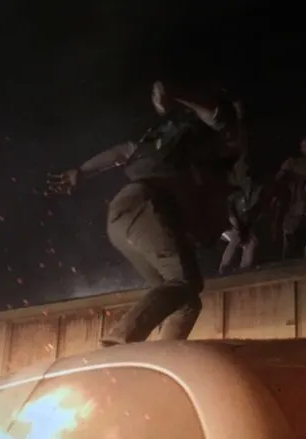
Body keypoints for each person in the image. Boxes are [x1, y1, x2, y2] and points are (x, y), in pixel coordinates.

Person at [48, 80, 245, 347]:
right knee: (185, 281)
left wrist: (82, 171)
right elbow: (216, 116)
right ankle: (119, 341)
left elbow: (122, 151)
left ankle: (158, 356)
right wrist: (176, 93)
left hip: (122, 218)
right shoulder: (204, 138)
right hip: (147, 208)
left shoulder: (160, 143)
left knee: (185, 302)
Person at [273, 136, 306, 260]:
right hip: (294, 207)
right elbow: (278, 180)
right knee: (290, 243)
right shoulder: (293, 163)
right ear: (301, 148)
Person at [218, 176, 263, 273]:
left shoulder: (254, 201)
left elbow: (250, 220)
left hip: (241, 228)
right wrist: (239, 228)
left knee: (251, 241)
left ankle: (244, 268)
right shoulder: (233, 197)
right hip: (225, 229)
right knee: (236, 236)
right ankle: (224, 266)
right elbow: (232, 218)